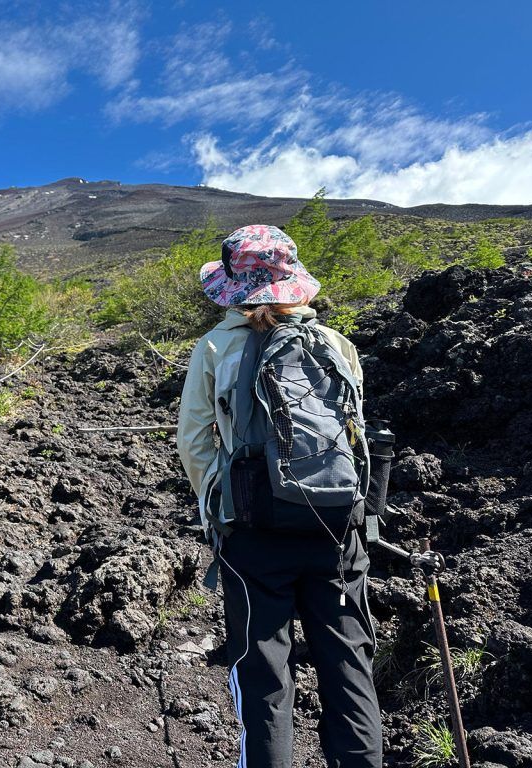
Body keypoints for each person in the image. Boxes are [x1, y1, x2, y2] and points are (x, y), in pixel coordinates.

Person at [177, 225, 382, 767]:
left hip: (254, 532)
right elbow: (356, 435)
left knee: (264, 674)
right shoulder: (338, 345)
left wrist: (219, 510)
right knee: (348, 666)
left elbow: (195, 442)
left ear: (234, 287)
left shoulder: (217, 346)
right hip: (337, 530)